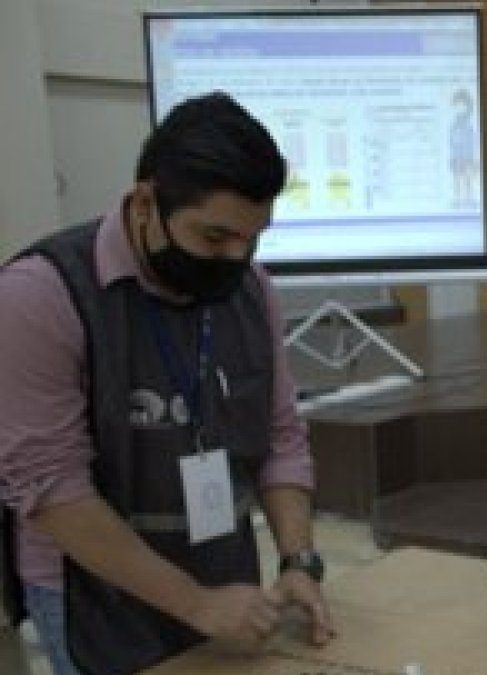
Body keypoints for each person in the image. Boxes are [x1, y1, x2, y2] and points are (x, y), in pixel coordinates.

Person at [0, 92, 334, 675]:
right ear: (146, 202)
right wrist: (194, 603)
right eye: (213, 238)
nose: (234, 258)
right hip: (94, 593)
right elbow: (53, 491)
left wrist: (299, 561)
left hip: (222, 579)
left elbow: (280, 438)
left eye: (251, 239)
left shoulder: (251, 290)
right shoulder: (40, 295)